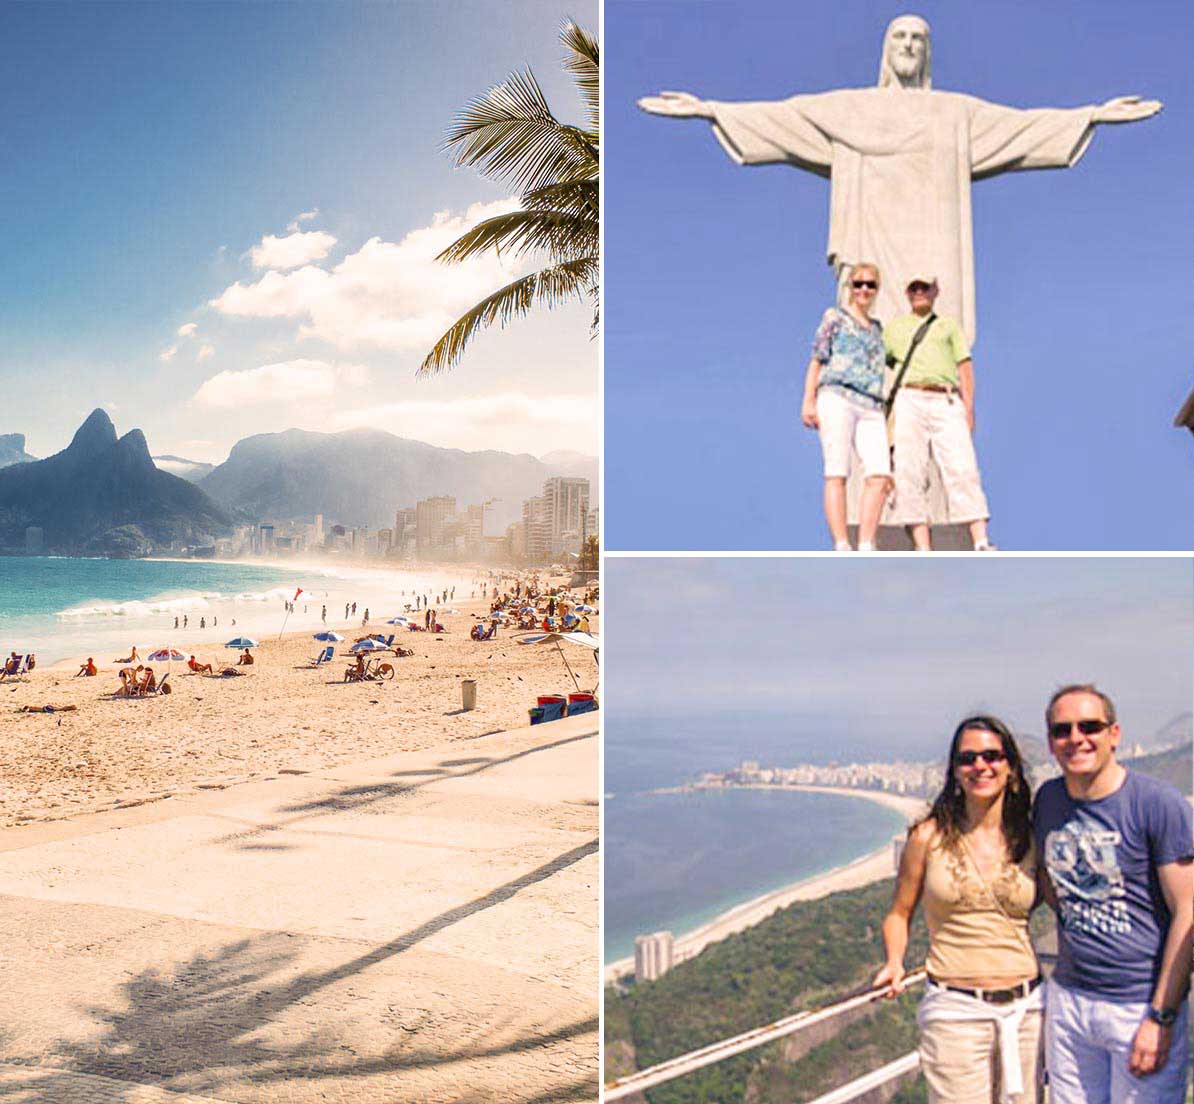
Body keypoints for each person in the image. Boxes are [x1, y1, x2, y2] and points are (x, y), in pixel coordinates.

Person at [1033, 685, 1192, 1103]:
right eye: (1063, 730)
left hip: (1137, 1004)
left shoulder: (1159, 804)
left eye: (1090, 726)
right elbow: (1052, 888)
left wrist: (1161, 1015)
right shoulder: (1048, 800)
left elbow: (1188, 912)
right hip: (1068, 999)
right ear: (1051, 742)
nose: (1076, 738)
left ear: (1114, 733)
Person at [875, 716, 1042, 1103]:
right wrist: (895, 960)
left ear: (1010, 767)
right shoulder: (927, 837)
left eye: (991, 755)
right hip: (955, 1011)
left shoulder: (1030, 838)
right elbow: (900, 911)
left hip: (1028, 1011)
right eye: (968, 758)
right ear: (954, 769)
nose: (980, 766)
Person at [885, 276, 995, 551]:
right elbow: (879, 362)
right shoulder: (895, 328)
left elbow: (964, 367)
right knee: (909, 470)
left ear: (935, 292)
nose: (919, 293)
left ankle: (980, 541)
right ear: (907, 293)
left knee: (962, 467)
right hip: (909, 397)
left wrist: (969, 408)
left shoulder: (948, 326)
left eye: (925, 288)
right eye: (914, 288)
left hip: (945, 397)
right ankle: (923, 548)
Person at [800, 261, 890, 551]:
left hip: (871, 404)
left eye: (870, 284)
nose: (864, 289)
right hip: (836, 395)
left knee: (879, 473)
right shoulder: (834, 317)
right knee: (837, 470)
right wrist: (808, 400)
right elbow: (817, 358)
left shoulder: (878, 329)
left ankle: (866, 542)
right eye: (858, 283)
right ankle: (841, 543)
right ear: (850, 287)